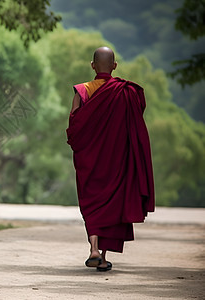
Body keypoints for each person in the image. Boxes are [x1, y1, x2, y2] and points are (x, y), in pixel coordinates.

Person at [66, 47, 154, 272]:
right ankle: (102, 257)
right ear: (114, 66)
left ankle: (93, 249)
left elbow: (74, 127)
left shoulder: (83, 91)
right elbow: (134, 126)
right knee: (111, 206)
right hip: (116, 162)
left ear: (92, 65)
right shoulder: (127, 92)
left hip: (90, 162)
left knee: (92, 204)